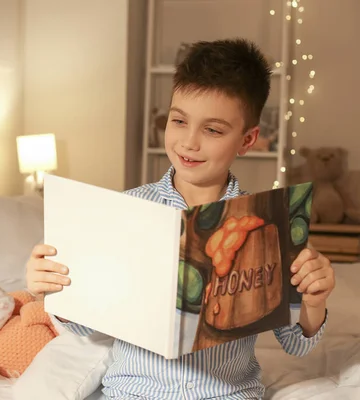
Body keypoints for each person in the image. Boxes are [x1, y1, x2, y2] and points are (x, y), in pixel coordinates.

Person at [26, 38, 335, 399]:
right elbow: (80, 325)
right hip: (133, 393)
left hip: (227, 395)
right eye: (178, 121)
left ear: (247, 139)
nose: (189, 142)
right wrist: (50, 290)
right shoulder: (124, 211)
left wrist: (315, 302)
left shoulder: (268, 223)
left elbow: (297, 345)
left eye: (213, 130)